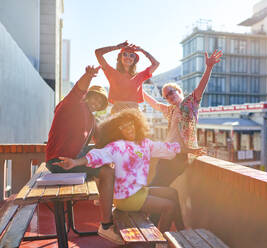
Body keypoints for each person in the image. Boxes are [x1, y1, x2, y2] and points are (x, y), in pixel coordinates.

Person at [53, 109, 204, 233]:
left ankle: (183, 232)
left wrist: (191, 149)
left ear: (137, 125)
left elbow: (170, 148)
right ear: (118, 130)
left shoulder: (144, 145)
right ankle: (159, 243)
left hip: (139, 191)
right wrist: (75, 162)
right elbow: (97, 155)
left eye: (131, 125)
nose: (129, 129)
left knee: (172, 193)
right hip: (127, 198)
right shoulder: (117, 146)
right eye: (124, 127)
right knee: (169, 207)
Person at [45, 66, 123, 245]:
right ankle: (105, 224)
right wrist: (88, 76)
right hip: (60, 162)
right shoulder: (74, 104)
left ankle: (106, 197)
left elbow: (102, 142)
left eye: (100, 102)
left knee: (108, 156)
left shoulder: (91, 117)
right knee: (107, 173)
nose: (96, 103)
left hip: (73, 158)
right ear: (87, 95)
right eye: (94, 97)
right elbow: (78, 90)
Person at [143, 50, 222, 187]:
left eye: (171, 92)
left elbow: (201, 87)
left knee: (156, 186)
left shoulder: (189, 104)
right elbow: (154, 103)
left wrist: (209, 67)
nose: (169, 96)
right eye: (166, 96)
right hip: (167, 153)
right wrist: (137, 87)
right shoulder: (171, 110)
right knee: (157, 185)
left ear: (179, 91)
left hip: (180, 156)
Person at [95, 41, 159, 113]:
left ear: (134, 60)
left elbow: (156, 64)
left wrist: (142, 50)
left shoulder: (139, 76)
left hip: (134, 114)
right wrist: (117, 47)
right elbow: (98, 53)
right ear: (120, 57)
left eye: (132, 55)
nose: (128, 57)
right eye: (125, 54)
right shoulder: (112, 73)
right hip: (117, 113)